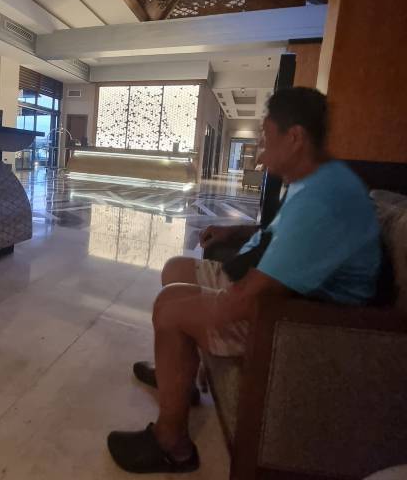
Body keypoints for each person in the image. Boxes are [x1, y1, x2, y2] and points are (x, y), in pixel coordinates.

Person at [107, 87, 381, 474]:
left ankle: (172, 445)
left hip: (298, 324)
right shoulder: (319, 180)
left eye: (266, 139)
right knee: (175, 272)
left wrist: (203, 313)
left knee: (169, 308)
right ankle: (179, 380)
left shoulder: (323, 199)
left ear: (295, 137)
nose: (261, 155)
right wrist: (235, 234)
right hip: (280, 290)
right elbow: (279, 237)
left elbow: (252, 296)